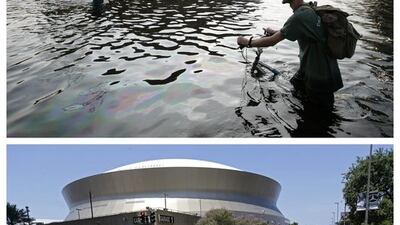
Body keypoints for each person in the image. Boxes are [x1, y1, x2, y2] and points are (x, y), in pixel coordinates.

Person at [237, 0, 343, 113]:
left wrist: (247, 42)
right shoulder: (307, 9)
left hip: (319, 77)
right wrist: (275, 32)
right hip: (314, 70)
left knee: (319, 117)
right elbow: (297, 30)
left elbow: (272, 41)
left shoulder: (300, 16)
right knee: (296, 87)